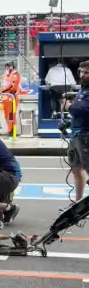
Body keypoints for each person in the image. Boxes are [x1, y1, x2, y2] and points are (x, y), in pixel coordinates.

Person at [65, 61, 89, 201]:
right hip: (76, 133)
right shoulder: (83, 89)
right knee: (75, 168)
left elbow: (83, 110)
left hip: (86, 134)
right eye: (80, 72)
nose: (82, 75)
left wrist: (69, 107)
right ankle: (78, 200)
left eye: (86, 73)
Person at [0, 61, 22, 135]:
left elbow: (13, 86)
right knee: (7, 115)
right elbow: (4, 84)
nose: (7, 68)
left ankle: (12, 130)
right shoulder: (6, 75)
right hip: (6, 98)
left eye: (8, 66)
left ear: (12, 67)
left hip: (12, 97)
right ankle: (10, 129)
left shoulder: (15, 74)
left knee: (11, 115)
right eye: (6, 67)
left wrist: (2, 91)